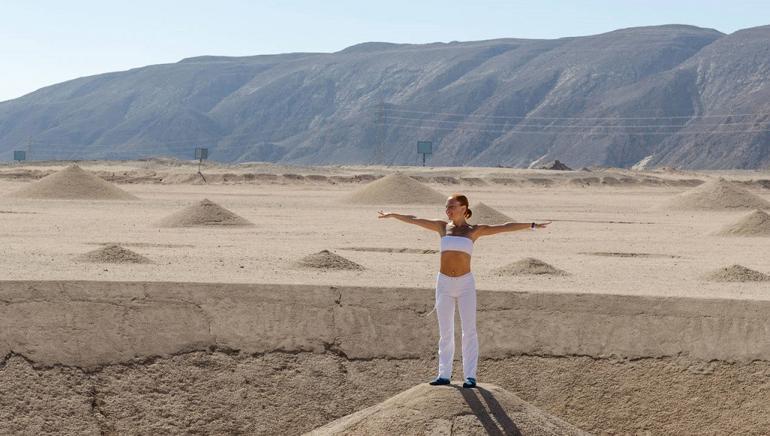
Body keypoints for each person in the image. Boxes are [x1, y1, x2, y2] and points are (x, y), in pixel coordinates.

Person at [378, 194, 550, 388]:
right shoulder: (442, 227)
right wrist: (393, 214)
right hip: (443, 283)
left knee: (469, 330)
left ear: (463, 208)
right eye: (446, 207)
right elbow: (414, 219)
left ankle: (470, 376)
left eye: (452, 206)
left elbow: (505, 226)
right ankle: (444, 374)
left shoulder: (474, 231)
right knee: (446, 331)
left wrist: (532, 225)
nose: (448, 210)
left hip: (465, 284)